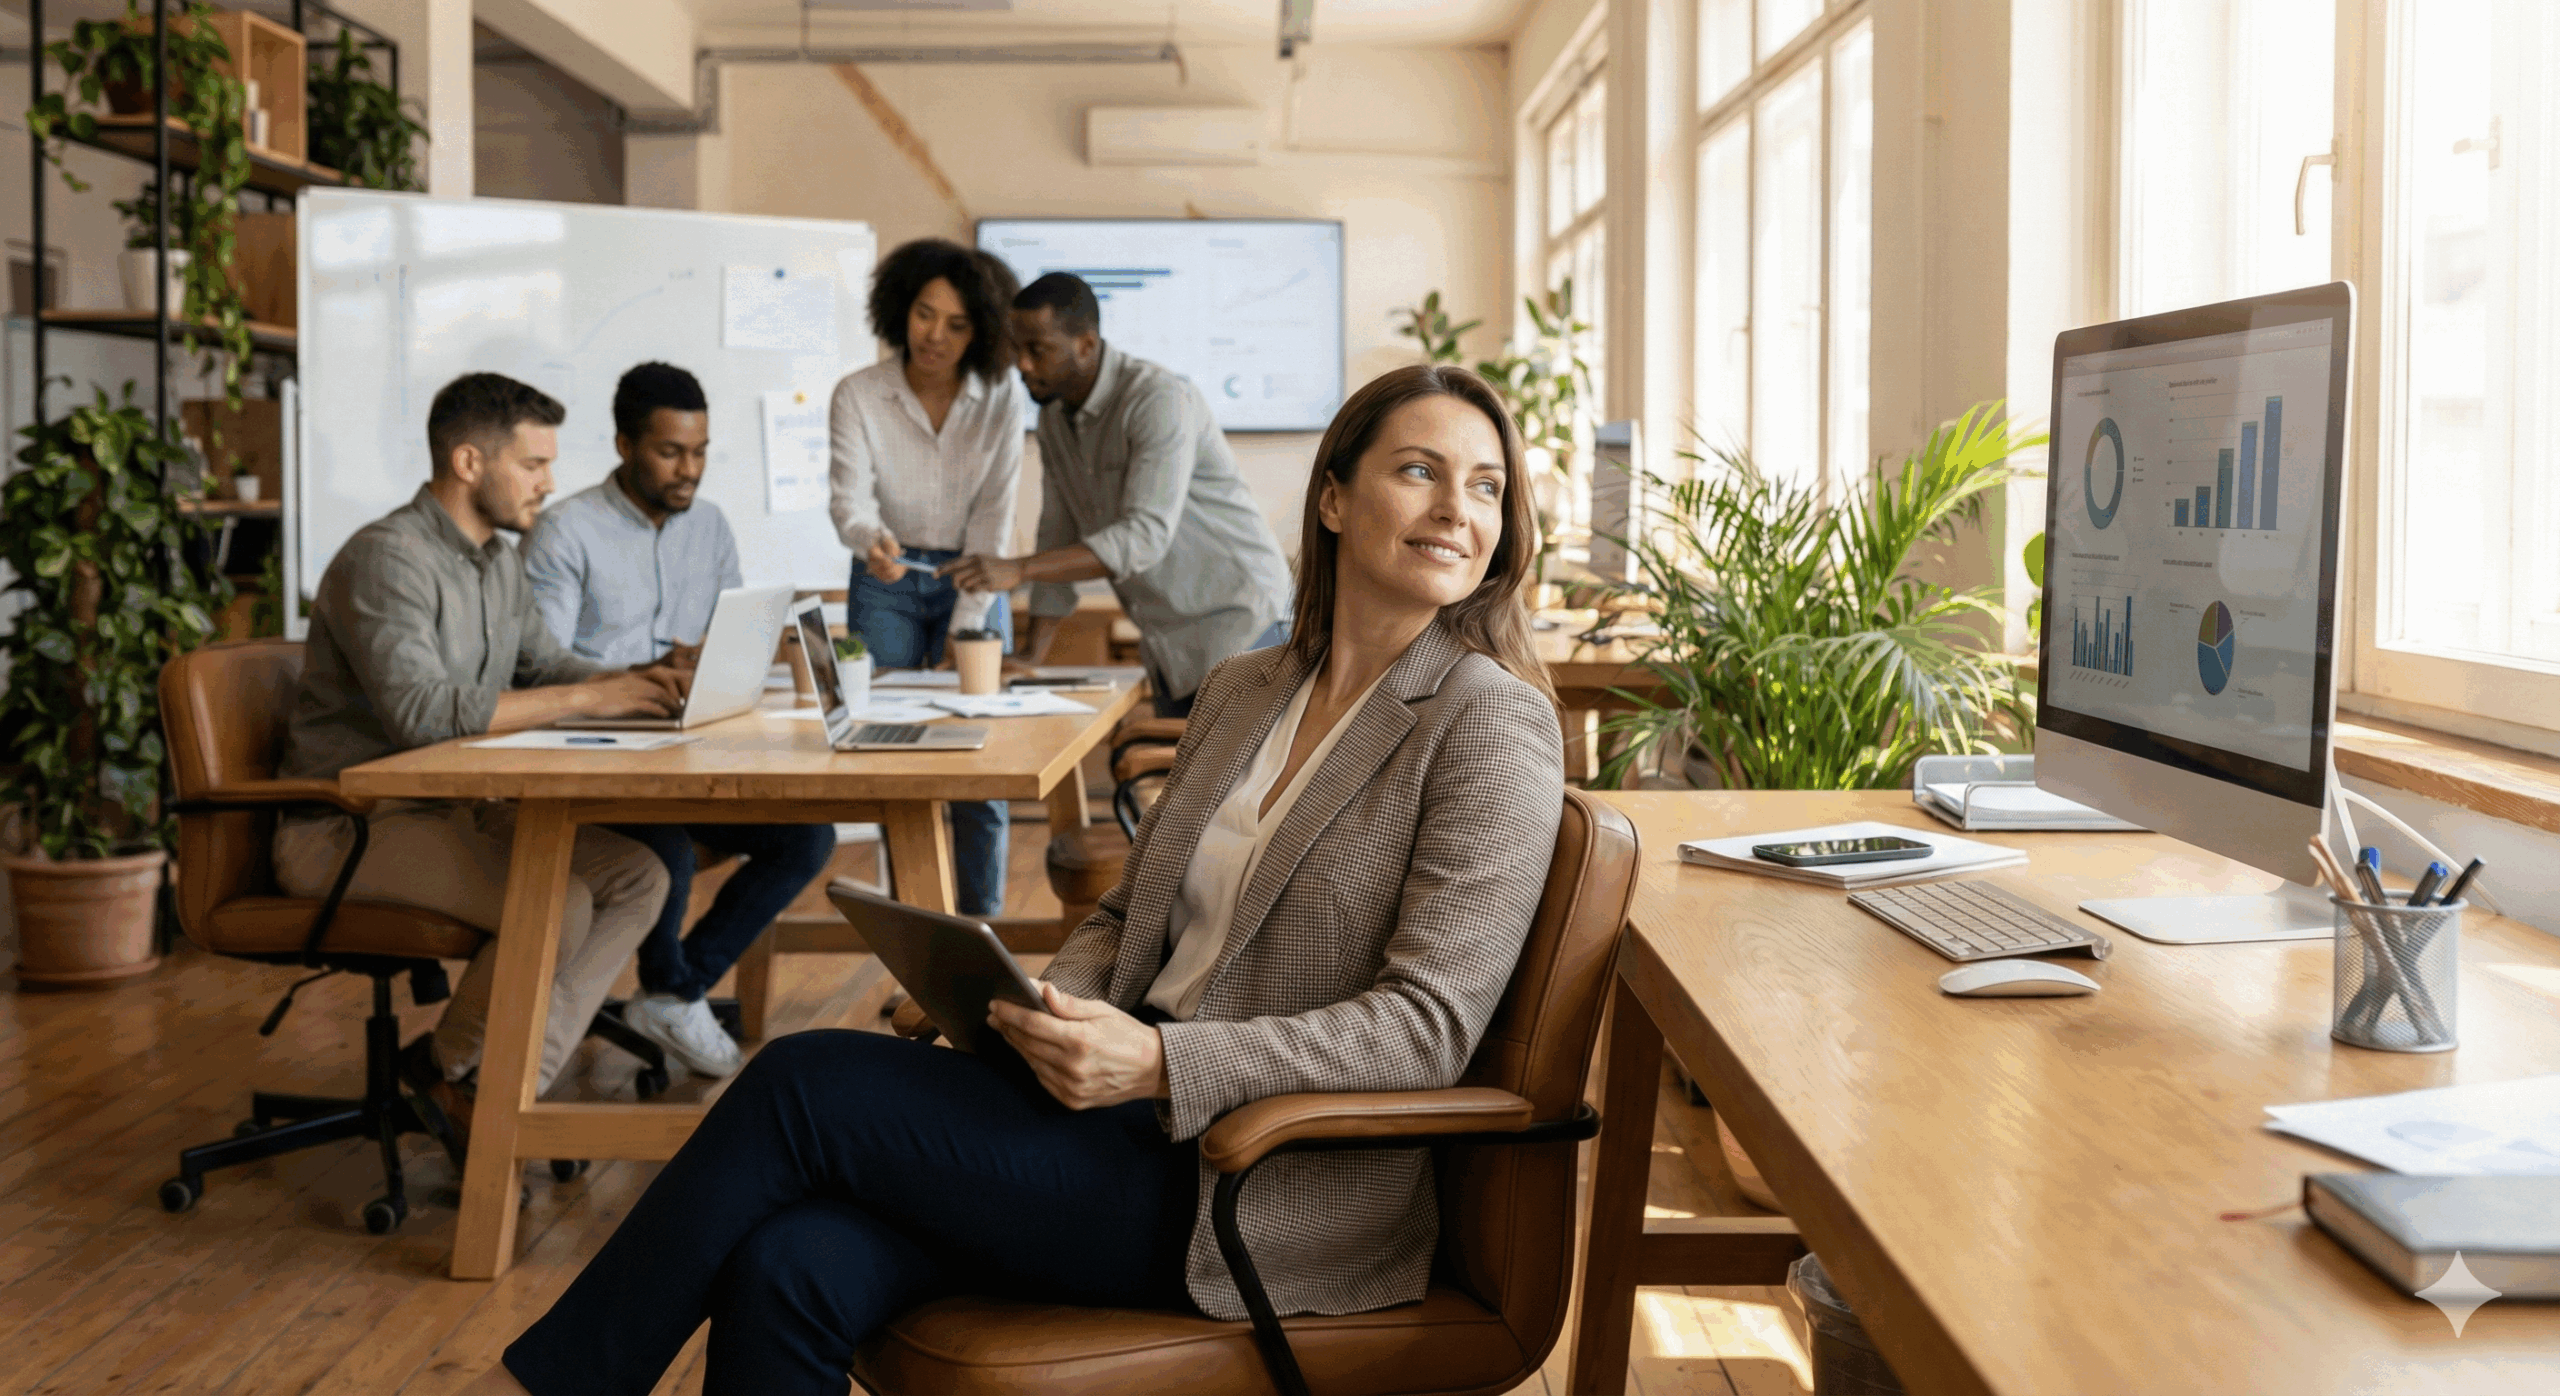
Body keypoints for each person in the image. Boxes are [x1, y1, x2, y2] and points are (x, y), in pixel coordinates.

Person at [471, 364, 1566, 1396]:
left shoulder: (1484, 719)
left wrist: (1160, 1061)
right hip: (1104, 1114)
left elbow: (1425, 1026)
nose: (1455, 509)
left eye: (1485, 486)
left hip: (1243, 1180)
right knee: (789, 1264)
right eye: (1418, 470)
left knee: (797, 1083)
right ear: (1332, 498)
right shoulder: (1245, 689)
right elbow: (1132, 910)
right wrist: (1043, 1008)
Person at [272, 372, 685, 1148]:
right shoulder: (386, 560)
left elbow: (543, 667)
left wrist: (637, 681)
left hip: (447, 811)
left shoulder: (496, 561)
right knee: (555, 904)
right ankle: (463, 1085)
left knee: (640, 877)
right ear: (468, 463)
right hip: (349, 828)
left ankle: (489, 1088)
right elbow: (421, 713)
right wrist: (592, 703)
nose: (550, 483)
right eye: (532, 465)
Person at [523, 362, 836, 1079]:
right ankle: (672, 989)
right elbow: (540, 667)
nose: (688, 469)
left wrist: (713, 660)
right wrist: (642, 673)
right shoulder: (565, 532)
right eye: (670, 452)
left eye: (698, 452)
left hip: (692, 750)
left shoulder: (711, 527)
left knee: (808, 836)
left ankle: (675, 988)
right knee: (659, 834)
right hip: (597, 756)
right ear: (625, 444)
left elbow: (722, 640)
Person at [942, 271, 1296, 720]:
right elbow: (1058, 531)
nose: (1023, 365)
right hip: (1171, 644)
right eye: (1017, 348)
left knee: (1243, 788)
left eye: (1038, 349)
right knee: (1189, 785)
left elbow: (1144, 536)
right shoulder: (1053, 420)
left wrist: (1018, 569)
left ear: (1087, 345)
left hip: (1248, 627)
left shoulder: (1159, 399)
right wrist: (1036, 654)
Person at [827, 238, 1024, 917]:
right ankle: (914, 933)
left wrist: (967, 627)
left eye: (957, 323)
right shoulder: (859, 393)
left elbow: (995, 520)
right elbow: (849, 502)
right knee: (889, 755)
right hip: (886, 572)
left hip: (975, 568)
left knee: (980, 765)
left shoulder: (1002, 400)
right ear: (897, 310)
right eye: (923, 314)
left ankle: (981, 935)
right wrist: (868, 540)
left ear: (983, 333)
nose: (934, 336)